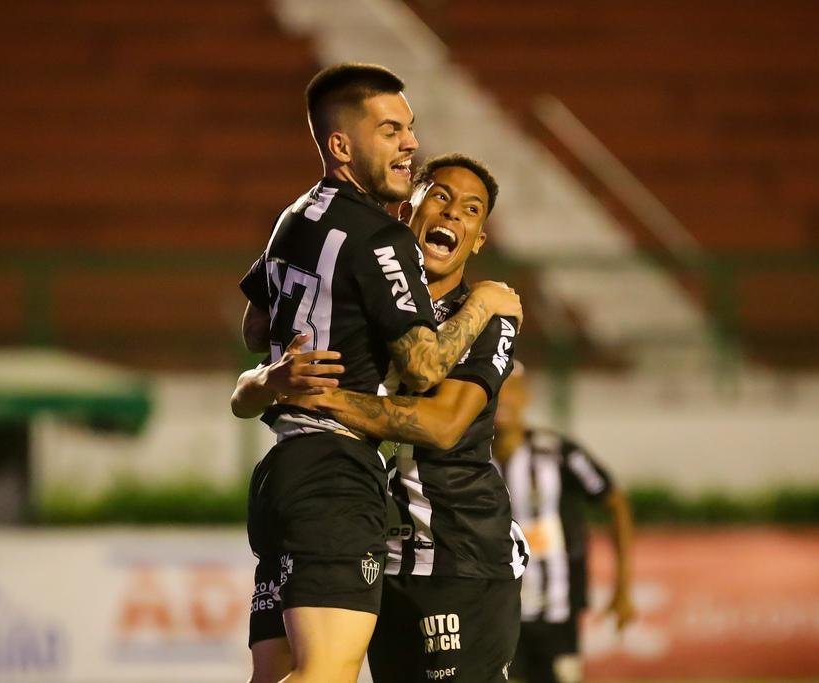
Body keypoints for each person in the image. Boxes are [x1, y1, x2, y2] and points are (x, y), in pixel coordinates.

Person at [236, 63, 522, 683]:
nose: (408, 143)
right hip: (337, 482)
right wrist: (480, 305)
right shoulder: (382, 241)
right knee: (327, 674)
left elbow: (257, 332)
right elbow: (422, 367)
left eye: (409, 130)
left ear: (479, 239)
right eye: (391, 131)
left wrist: (269, 387)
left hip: (429, 543)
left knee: (284, 672)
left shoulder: (296, 216)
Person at [492, 362, 636, 683]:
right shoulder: (469, 457)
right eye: (495, 390)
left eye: (511, 390)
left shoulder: (557, 453)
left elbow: (615, 501)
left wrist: (623, 587)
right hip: (497, 612)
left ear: (525, 397)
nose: (503, 400)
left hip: (556, 611)